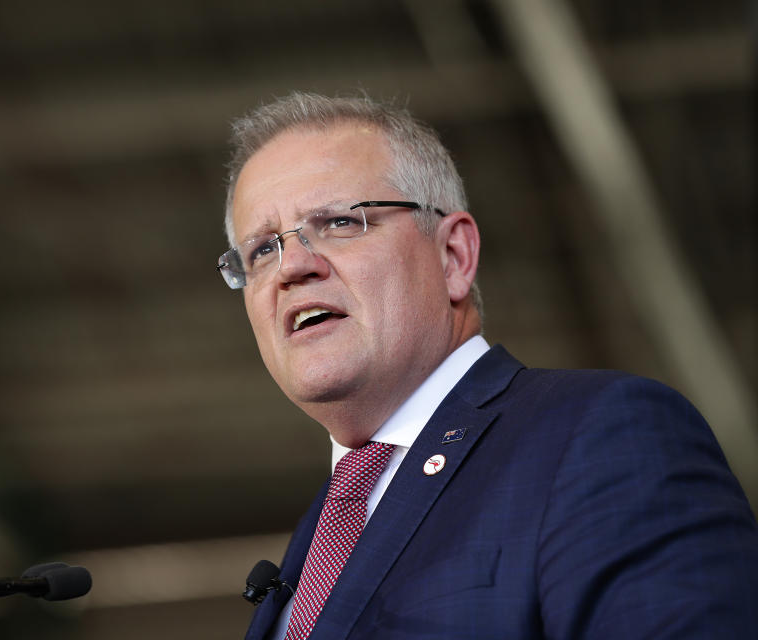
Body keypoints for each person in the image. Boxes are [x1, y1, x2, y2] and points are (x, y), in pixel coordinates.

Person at [216, 92, 758, 640]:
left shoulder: (603, 432)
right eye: (262, 251)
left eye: (336, 222)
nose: (292, 268)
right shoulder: (316, 542)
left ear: (453, 256)